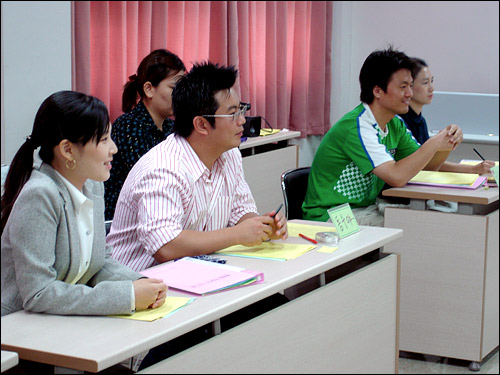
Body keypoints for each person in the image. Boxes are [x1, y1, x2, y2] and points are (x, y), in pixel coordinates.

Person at [108, 61, 288, 271]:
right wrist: (238, 234)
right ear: (201, 124)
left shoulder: (229, 154)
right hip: (140, 285)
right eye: (232, 114)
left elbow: (241, 211)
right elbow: (166, 246)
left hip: (195, 271)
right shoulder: (163, 168)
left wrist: (261, 226)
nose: (242, 121)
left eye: (242, 110)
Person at [1, 90, 167, 318]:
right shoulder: (40, 195)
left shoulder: (92, 185)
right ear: (67, 150)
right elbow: (39, 292)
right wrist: (127, 296)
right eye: (103, 140)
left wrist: (141, 283)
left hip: (57, 320)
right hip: (18, 328)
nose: (114, 149)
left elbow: (100, 262)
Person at [303, 46, 464, 225]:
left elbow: (426, 167)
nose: (409, 94)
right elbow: (397, 177)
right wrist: (433, 143)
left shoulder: (395, 123)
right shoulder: (357, 127)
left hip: (365, 208)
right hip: (332, 216)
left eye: (410, 86)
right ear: (377, 91)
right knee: (412, 228)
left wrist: (447, 142)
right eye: (403, 87)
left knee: (430, 219)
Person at [104, 49, 186, 220]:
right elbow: (151, 180)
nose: (181, 95)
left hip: (158, 212)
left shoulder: (171, 126)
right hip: (127, 221)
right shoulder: (128, 126)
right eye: (174, 88)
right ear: (149, 89)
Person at [401, 57, 494, 174]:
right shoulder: (400, 121)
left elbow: (427, 163)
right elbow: (422, 167)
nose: (431, 88)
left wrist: (473, 169)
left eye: (432, 81)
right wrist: (440, 143)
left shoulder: (420, 120)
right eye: (425, 83)